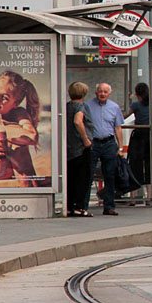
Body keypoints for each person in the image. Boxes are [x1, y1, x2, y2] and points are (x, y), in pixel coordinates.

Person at [0, 70, 46, 187]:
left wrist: (5, 137)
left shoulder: (17, 113)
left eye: (4, 98)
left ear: (15, 104)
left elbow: (31, 135)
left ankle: (30, 190)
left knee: (18, 147)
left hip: (6, 167)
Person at [82, 83, 125, 216]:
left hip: (109, 143)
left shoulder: (114, 107)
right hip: (93, 143)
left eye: (105, 92)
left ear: (109, 93)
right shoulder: (88, 106)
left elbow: (118, 128)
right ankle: (83, 206)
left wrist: (121, 147)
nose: (102, 94)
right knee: (88, 175)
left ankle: (109, 206)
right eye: (100, 91)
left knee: (110, 175)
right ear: (96, 93)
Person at [66, 81, 94, 217]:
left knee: (70, 178)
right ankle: (80, 207)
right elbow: (78, 121)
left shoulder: (66, 107)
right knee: (83, 178)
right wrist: (86, 139)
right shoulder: (81, 106)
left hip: (69, 148)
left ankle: (69, 206)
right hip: (81, 148)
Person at [127, 83, 152, 187]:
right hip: (151, 135)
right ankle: (150, 194)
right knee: (150, 165)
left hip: (138, 136)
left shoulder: (135, 105)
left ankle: (134, 196)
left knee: (135, 165)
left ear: (136, 93)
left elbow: (125, 115)